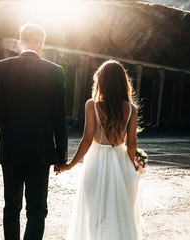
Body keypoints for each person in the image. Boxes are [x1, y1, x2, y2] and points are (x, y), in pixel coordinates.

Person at [0, 23, 68, 240]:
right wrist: (61, 156)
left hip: (10, 151)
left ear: (20, 43)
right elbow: (60, 118)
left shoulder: (1, 68)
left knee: (11, 207)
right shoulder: (56, 71)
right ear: (42, 45)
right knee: (37, 210)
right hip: (40, 153)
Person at [58, 60, 144, 239]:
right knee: (120, 217)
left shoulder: (92, 105)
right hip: (122, 165)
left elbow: (87, 140)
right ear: (123, 82)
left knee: (94, 216)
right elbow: (131, 145)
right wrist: (135, 165)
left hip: (96, 164)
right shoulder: (131, 109)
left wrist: (70, 166)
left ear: (101, 81)